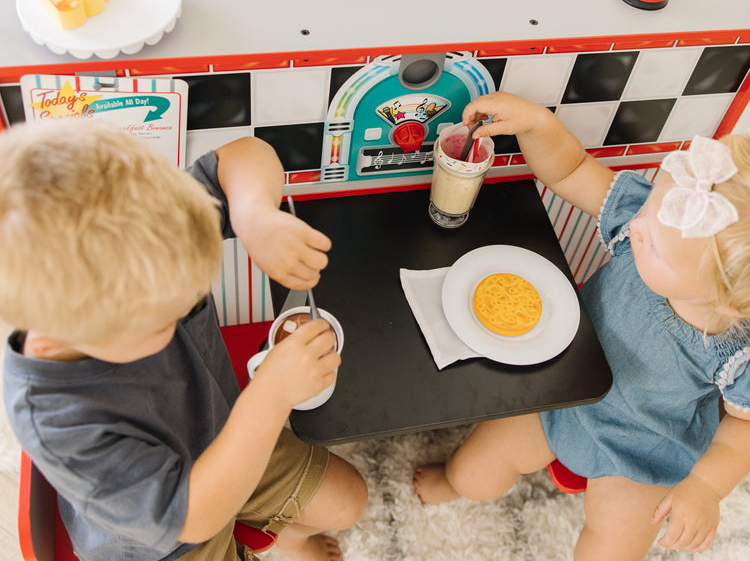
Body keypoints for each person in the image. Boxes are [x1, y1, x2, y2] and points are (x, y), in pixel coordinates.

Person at [0, 117, 368, 561]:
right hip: (171, 540)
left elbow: (244, 155)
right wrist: (271, 395)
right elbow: (196, 514)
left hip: (225, 432)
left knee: (349, 500)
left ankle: (283, 539)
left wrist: (254, 215)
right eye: (166, 319)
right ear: (57, 335)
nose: (189, 306)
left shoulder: (144, 226)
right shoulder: (59, 421)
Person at [413, 91, 750, 561]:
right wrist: (537, 125)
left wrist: (707, 486)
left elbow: (743, 426)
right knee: (474, 472)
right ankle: (452, 481)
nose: (638, 227)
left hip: (646, 446)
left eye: (654, 245)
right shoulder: (647, 225)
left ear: (722, 301)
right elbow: (572, 170)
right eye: (650, 207)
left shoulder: (738, 351)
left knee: (612, 550)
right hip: (560, 389)